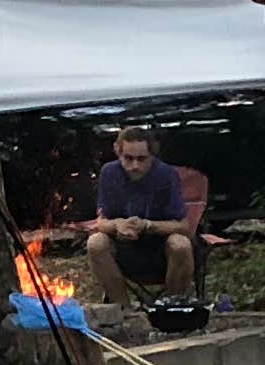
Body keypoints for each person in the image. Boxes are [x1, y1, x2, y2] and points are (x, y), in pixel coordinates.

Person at [79, 122, 196, 316]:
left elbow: (184, 227)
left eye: (141, 159)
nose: (135, 166)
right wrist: (117, 225)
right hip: (124, 250)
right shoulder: (109, 173)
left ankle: (171, 308)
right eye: (129, 158)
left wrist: (148, 226)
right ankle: (124, 311)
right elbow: (101, 221)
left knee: (181, 244)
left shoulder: (166, 175)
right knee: (96, 243)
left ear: (152, 155)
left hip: (161, 251)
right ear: (118, 152)